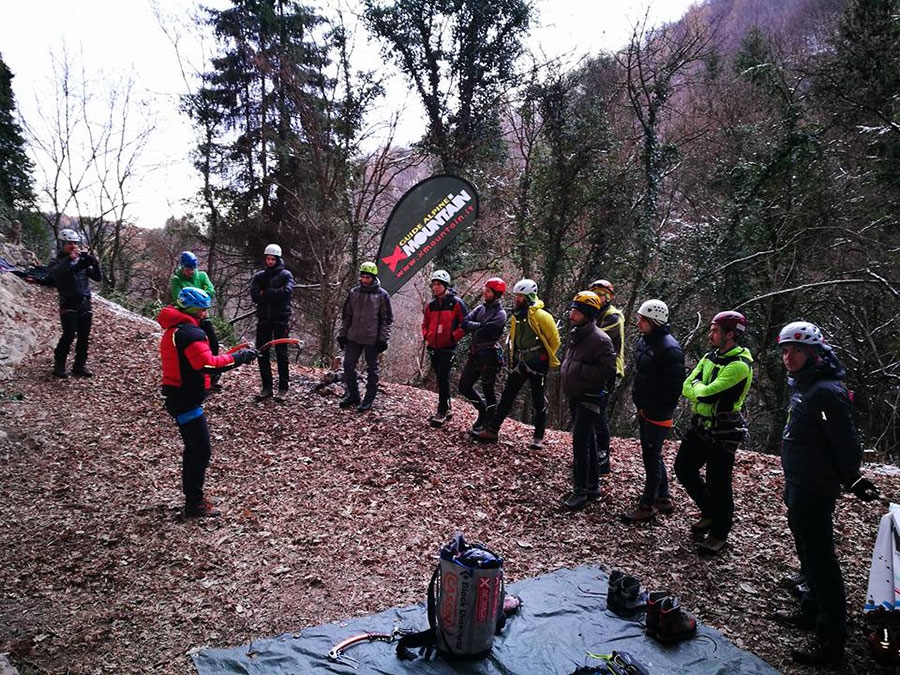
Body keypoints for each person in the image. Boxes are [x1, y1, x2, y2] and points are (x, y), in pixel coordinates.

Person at [773, 320, 879, 666]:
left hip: (815, 485)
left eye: (796, 350)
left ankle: (831, 639)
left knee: (821, 560)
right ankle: (812, 607)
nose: (788, 356)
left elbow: (844, 442)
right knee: (806, 549)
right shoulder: (805, 386)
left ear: (813, 353)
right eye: (785, 350)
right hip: (799, 480)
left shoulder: (824, 393)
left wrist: (852, 478)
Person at [158, 287, 258, 517]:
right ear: (193, 310)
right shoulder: (189, 334)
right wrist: (239, 358)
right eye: (202, 310)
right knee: (200, 450)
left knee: (194, 449)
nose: (205, 314)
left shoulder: (176, 330)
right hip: (185, 399)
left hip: (180, 396)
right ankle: (194, 503)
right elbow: (208, 364)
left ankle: (193, 498)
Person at [674, 311, 753, 554]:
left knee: (718, 481)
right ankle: (709, 511)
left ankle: (719, 531)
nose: (710, 335)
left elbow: (707, 392)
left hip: (724, 431)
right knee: (683, 467)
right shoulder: (710, 357)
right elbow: (687, 385)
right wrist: (699, 388)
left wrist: (698, 388)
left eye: (715, 331)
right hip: (700, 424)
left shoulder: (739, 366)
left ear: (730, 335)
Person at [475, 278, 560, 449]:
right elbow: (513, 339)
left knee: (537, 399)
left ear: (528, 296)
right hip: (520, 362)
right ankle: (492, 430)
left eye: (520, 297)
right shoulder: (517, 317)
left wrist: (542, 357)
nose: (516, 300)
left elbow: (554, 340)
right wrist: (514, 360)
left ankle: (538, 437)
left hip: (536, 363)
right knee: (507, 396)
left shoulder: (542, 316)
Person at [622, 299, 685, 523]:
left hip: (658, 413)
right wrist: (641, 407)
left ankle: (647, 505)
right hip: (646, 409)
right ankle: (664, 497)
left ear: (654, 321)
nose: (638, 322)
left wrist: (653, 410)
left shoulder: (670, 349)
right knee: (652, 454)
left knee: (651, 458)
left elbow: (673, 387)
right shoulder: (646, 343)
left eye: (642, 319)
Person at [559, 291, 617, 511]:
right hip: (576, 395)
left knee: (580, 443)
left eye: (576, 311)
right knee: (588, 441)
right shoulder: (579, 334)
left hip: (590, 398)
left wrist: (578, 370)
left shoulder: (600, 340)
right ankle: (592, 486)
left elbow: (608, 371)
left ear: (587, 314)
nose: (571, 314)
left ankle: (580, 491)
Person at [338, 261, 393, 412]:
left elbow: (387, 319)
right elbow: (346, 316)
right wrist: (342, 335)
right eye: (362, 277)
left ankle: (368, 399)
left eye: (368, 277)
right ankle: (353, 395)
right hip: (353, 337)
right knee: (348, 366)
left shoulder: (382, 295)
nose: (364, 280)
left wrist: (383, 339)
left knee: (372, 369)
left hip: (372, 339)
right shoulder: (353, 293)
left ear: (373, 278)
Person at [49, 228, 102, 378]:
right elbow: (56, 274)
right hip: (68, 303)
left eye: (75, 243)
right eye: (69, 243)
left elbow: (97, 278)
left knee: (84, 336)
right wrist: (69, 259)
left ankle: (79, 365)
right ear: (62, 244)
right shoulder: (56, 261)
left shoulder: (81, 261)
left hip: (85, 301)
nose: (73, 246)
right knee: (69, 334)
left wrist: (95, 263)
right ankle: (59, 365)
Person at [459, 277, 507, 433]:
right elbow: (464, 322)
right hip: (475, 353)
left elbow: (487, 330)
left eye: (488, 291)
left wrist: (475, 327)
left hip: (490, 356)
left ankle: (488, 423)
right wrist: (478, 326)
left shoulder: (501, 314)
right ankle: (482, 409)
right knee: (464, 386)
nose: (484, 293)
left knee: (488, 389)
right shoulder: (480, 309)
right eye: (485, 290)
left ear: (496, 294)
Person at [421, 269, 468, 427]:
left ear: (445, 285)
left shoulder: (456, 303)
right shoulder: (431, 305)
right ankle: (447, 408)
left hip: (448, 347)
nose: (436, 287)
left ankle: (441, 411)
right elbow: (425, 323)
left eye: (439, 284)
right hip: (433, 346)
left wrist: (454, 336)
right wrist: (426, 335)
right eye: (434, 284)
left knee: (442, 377)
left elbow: (465, 323)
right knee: (442, 379)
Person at [171, 251, 222, 390]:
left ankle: (214, 376)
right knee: (194, 347)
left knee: (213, 344)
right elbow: (179, 299)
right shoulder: (177, 279)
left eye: (192, 269)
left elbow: (210, 290)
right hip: (188, 318)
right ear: (182, 267)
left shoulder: (202, 276)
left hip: (204, 316)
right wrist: (199, 296)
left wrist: (195, 298)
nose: (190, 272)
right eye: (188, 269)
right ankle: (195, 376)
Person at [250, 244, 294, 402]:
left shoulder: (286, 275)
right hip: (263, 319)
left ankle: (283, 388)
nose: (269, 261)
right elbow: (255, 295)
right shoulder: (260, 276)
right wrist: (274, 294)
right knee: (262, 353)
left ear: (277, 259)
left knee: (282, 354)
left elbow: (287, 293)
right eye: (267, 259)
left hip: (281, 319)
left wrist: (267, 293)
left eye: (272, 259)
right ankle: (266, 387)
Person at [589, 279, 625, 475]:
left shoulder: (614, 317)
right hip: (593, 369)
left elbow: (597, 339)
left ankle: (603, 459)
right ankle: (591, 454)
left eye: (602, 294)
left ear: (608, 297)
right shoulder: (593, 313)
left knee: (599, 415)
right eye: (595, 294)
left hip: (609, 371)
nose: (598, 297)